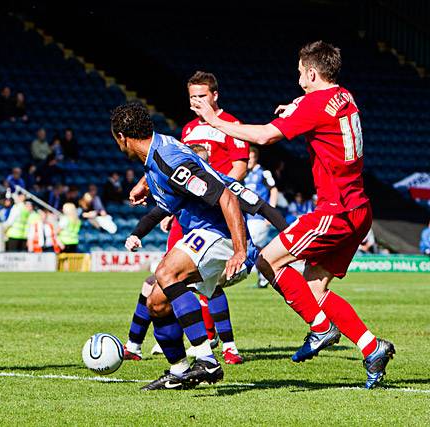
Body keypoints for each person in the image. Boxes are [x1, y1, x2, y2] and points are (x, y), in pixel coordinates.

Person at [189, 40, 394, 389]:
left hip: (336, 209)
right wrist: (297, 105)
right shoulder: (344, 96)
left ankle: (319, 329)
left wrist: (214, 120)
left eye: (300, 71)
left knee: (268, 262)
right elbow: (318, 105)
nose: (298, 76)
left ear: (311, 73)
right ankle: (372, 347)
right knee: (314, 288)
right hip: (360, 209)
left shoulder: (315, 103)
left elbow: (266, 136)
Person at [111, 102, 252, 390]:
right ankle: (179, 371)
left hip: (219, 232)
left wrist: (240, 249)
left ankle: (207, 360)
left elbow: (226, 197)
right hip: (205, 233)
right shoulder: (158, 152)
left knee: (165, 271)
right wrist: (146, 184)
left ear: (122, 137)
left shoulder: (167, 159)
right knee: (157, 303)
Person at [244, 146, 279, 288]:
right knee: (257, 249)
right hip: (248, 217)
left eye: (251, 158)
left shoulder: (263, 173)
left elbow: (274, 190)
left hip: (259, 217)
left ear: (256, 158)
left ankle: (264, 275)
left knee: (254, 247)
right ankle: (263, 276)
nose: (248, 161)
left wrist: (270, 213)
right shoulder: (245, 174)